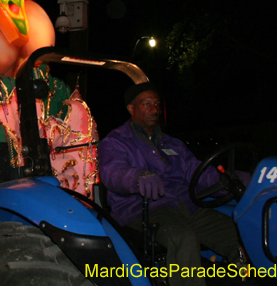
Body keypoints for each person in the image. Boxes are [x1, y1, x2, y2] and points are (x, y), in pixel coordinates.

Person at [98, 82, 249, 286]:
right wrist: (138, 177)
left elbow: (196, 172)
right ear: (131, 108)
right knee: (182, 238)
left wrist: (227, 179)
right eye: (147, 104)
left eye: (157, 104)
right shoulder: (115, 142)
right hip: (142, 209)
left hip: (185, 206)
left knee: (239, 233)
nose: (154, 109)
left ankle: (244, 277)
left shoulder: (172, 143)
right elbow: (112, 172)